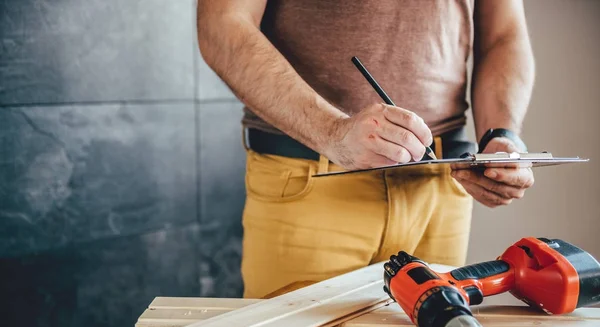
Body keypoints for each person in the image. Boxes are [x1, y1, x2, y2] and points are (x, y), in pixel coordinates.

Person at [197, 0, 535, 298]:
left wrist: (500, 134)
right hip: (312, 181)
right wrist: (331, 131)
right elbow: (223, 22)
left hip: (440, 186)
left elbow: (503, 35)